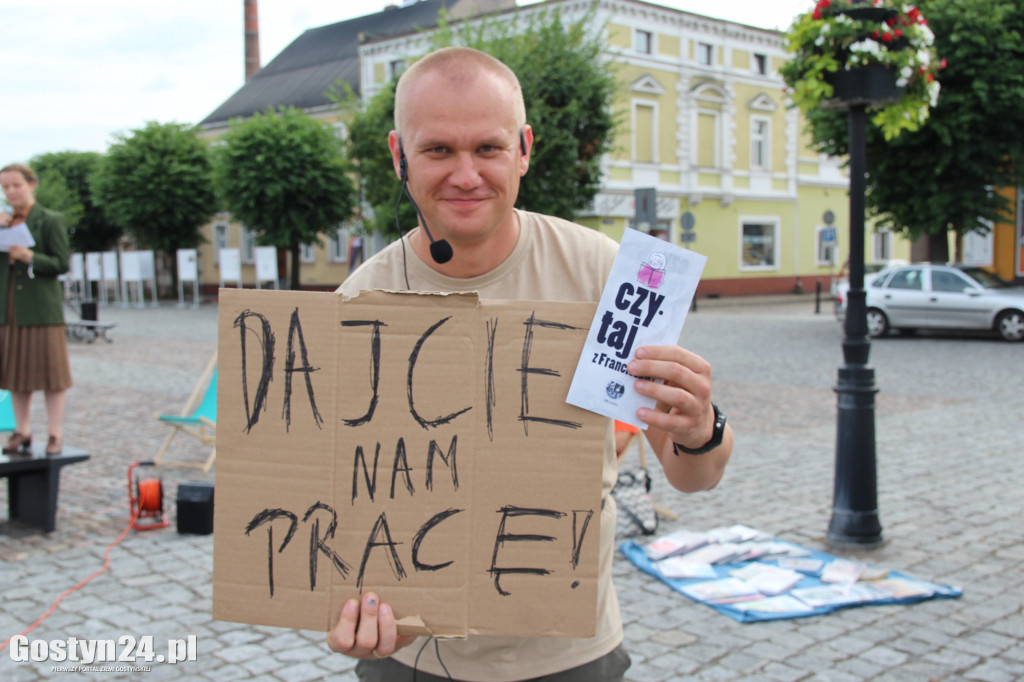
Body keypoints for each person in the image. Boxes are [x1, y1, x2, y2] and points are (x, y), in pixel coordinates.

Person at [330, 47, 733, 682]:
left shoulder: (607, 276)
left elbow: (693, 477)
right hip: (408, 658)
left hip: (571, 657)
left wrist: (700, 426)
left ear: (523, 149)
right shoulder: (355, 303)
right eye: (438, 150)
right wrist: (339, 602)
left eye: (487, 148)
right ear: (398, 156)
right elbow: (334, 501)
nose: (466, 174)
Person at [0, 163, 72, 456]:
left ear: (31, 184)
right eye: (5, 187)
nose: (11, 191)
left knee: (52, 374)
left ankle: (55, 433)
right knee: (16, 373)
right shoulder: (5, 221)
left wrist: (31, 256)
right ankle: (23, 429)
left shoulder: (49, 220)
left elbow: (61, 263)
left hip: (42, 309)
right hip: (10, 308)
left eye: (16, 185)